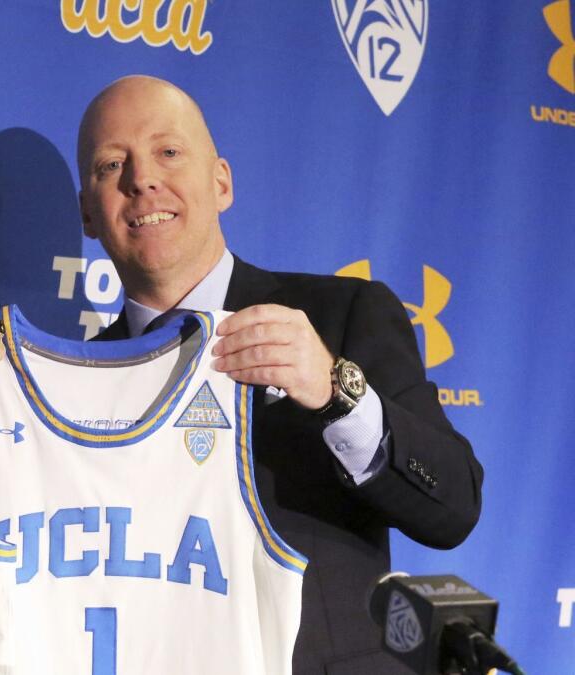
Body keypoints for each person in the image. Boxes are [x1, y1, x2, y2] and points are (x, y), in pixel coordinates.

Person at [77, 75, 483, 673]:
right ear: (88, 212)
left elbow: (454, 508)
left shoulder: (345, 316)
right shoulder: (74, 381)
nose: (142, 179)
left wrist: (336, 392)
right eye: (112, 164)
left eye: (168, 152)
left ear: (221, 182)